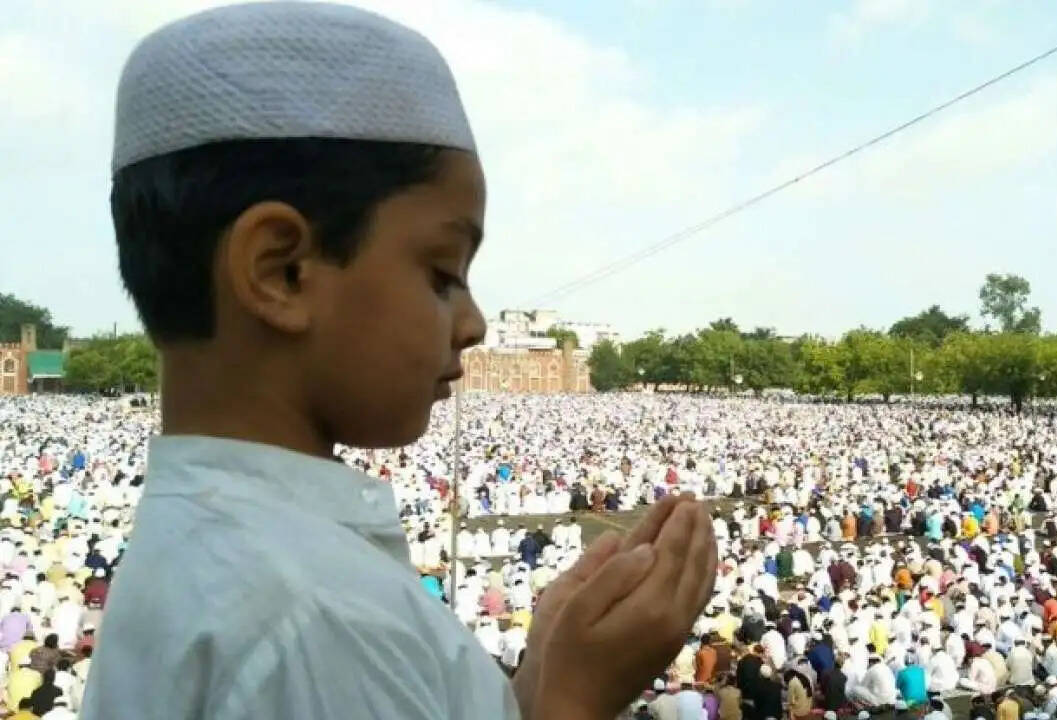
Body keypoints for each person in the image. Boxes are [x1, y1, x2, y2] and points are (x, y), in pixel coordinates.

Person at [80, 5, 717, 720]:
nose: (473, 325)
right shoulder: (320, 618)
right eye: (442, 274)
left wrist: (537, 682)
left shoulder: (215, 554)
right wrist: (577, 699)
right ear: (281, 271)